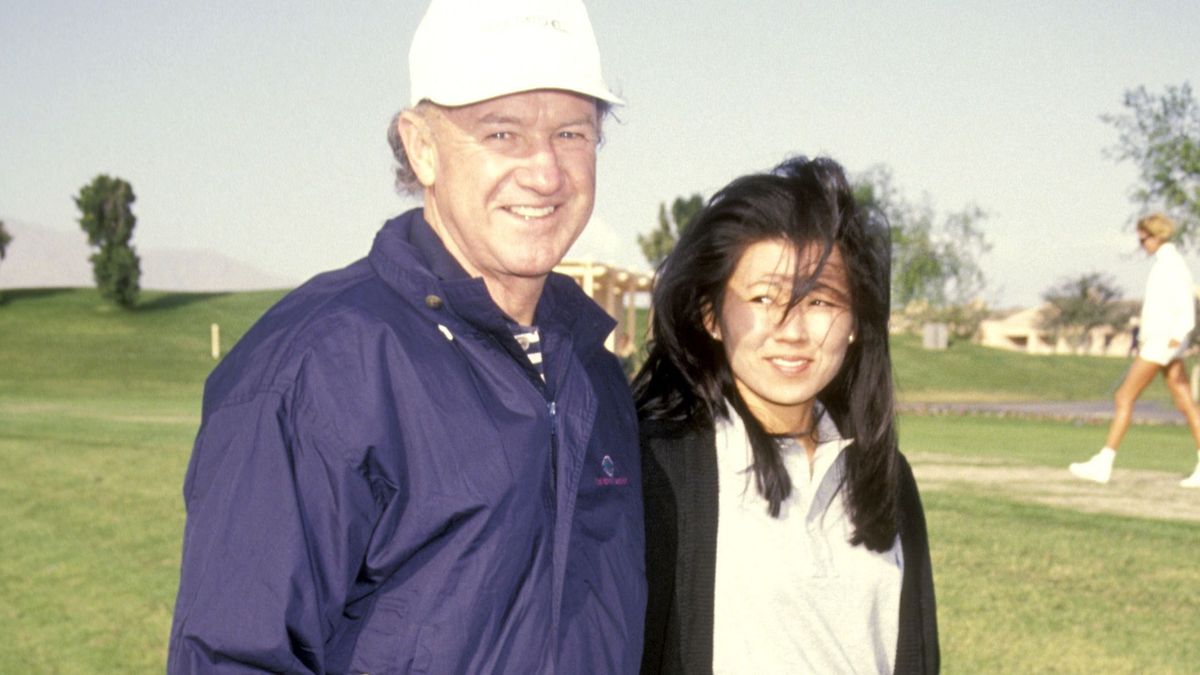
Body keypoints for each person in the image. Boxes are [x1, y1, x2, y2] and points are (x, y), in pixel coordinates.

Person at [167, 0, 646, 671]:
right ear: (421, 146)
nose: (545, 172)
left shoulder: (595, 373)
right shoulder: (319, 365)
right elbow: (234, 655)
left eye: (571, 133)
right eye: (502, 134)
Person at [635, 156, 939, 674]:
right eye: (762, 297)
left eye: (820, 301)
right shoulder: (661, 468)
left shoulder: (886, 474)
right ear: (711, 316)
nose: (792, 329)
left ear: (855, 322)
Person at [1070, 213, 1200, 488]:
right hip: (1161, 343)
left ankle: (1104, 462)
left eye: (1144, 239)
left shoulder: (1171, 266)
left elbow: (1185, 309)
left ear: (1156, 236)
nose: (1142, 245)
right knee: (1185, 401)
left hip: (1161, 345)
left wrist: (1175, 340)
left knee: (1124, 397)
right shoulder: (1165, 263)